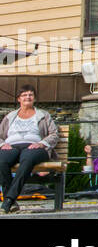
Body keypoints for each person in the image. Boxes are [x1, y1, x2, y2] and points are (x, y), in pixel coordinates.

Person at [0, 85, 60, 213]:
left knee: (27, 158)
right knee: (2, 160)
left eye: (30, 95)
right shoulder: (10, 116)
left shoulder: (43, 115)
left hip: (35, 147)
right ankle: (10, 200)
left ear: (34, 98)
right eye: (24, 95)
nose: (28, 97)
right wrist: (2, 144)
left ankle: (8, 199)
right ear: (18, 99)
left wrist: (42, 143)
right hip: (12, 146)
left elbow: (54, 134)